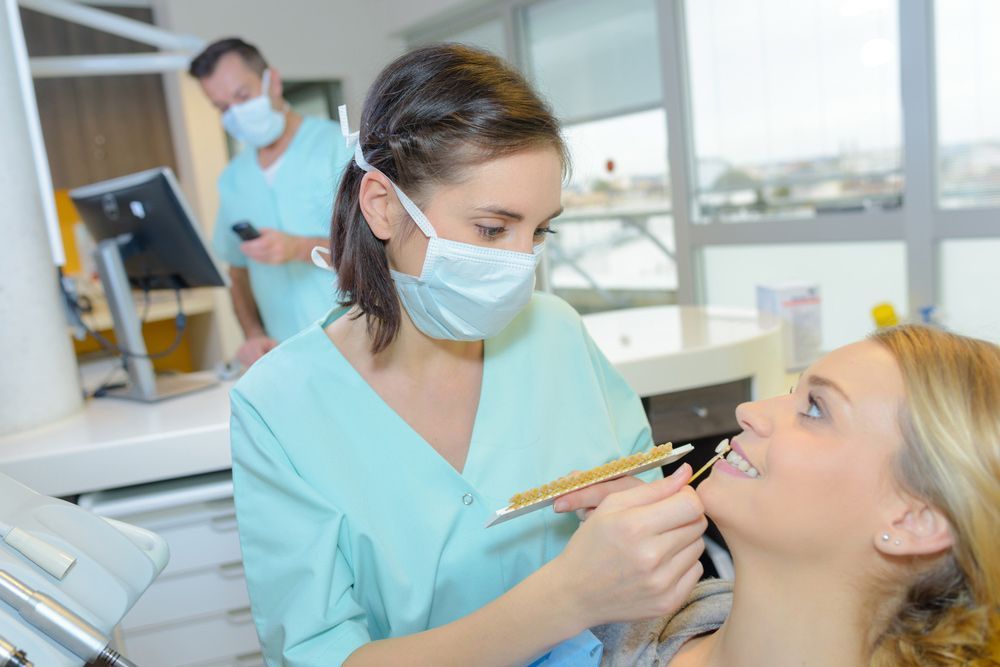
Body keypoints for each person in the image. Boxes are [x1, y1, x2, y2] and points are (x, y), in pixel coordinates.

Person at [229, 44, 707, 666]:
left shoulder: (558, 335)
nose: (519, 263)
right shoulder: (280, 405)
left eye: (538, 232)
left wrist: (649, 528)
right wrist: (564, 599)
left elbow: (646, 534)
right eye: (491, 229)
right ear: (382, 206)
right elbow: (320, 654)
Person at [596, 324, 1000, 666]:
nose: (748, 409)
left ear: (915, 521)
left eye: (816, 409)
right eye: (792, 390)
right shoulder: (603, 617)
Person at [189, 38, 352, 366]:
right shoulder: (234, 179)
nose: (235, 113)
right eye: (222, 107)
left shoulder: (338, 148)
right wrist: (252, 332)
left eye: (242, 96)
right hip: (285, 357)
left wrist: (300, 248)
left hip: (355, 345)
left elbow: (383, 255)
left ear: (272, 82)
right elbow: (237, 273)